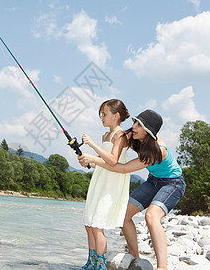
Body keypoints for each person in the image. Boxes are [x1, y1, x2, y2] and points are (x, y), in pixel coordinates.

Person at [79, 109, 186, 270]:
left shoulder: (158, 149)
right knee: (124, 215)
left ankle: (162, 267)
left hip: (172, 183)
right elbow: (113, 157)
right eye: (135, 122)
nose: (133, 127)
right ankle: (135, 257)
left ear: (148, 131)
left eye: (139, 125)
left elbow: (123, 168)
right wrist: (94, 162)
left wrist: (95, 159)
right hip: (152, 181)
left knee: (151, 216)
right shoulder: (133, 136)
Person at [81, 99, 131, 270]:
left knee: (97, 225)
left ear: (116, 116)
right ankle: (91, 262)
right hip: (100, 179)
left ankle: (100, 266)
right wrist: (90, 162)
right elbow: (103, 161)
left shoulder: (121, 135)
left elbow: (112, 160)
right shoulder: (106, 135)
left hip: (111, 183)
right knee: (89, 224)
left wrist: (92, 146)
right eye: (101, 114)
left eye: (104, 114)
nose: (101, 117)